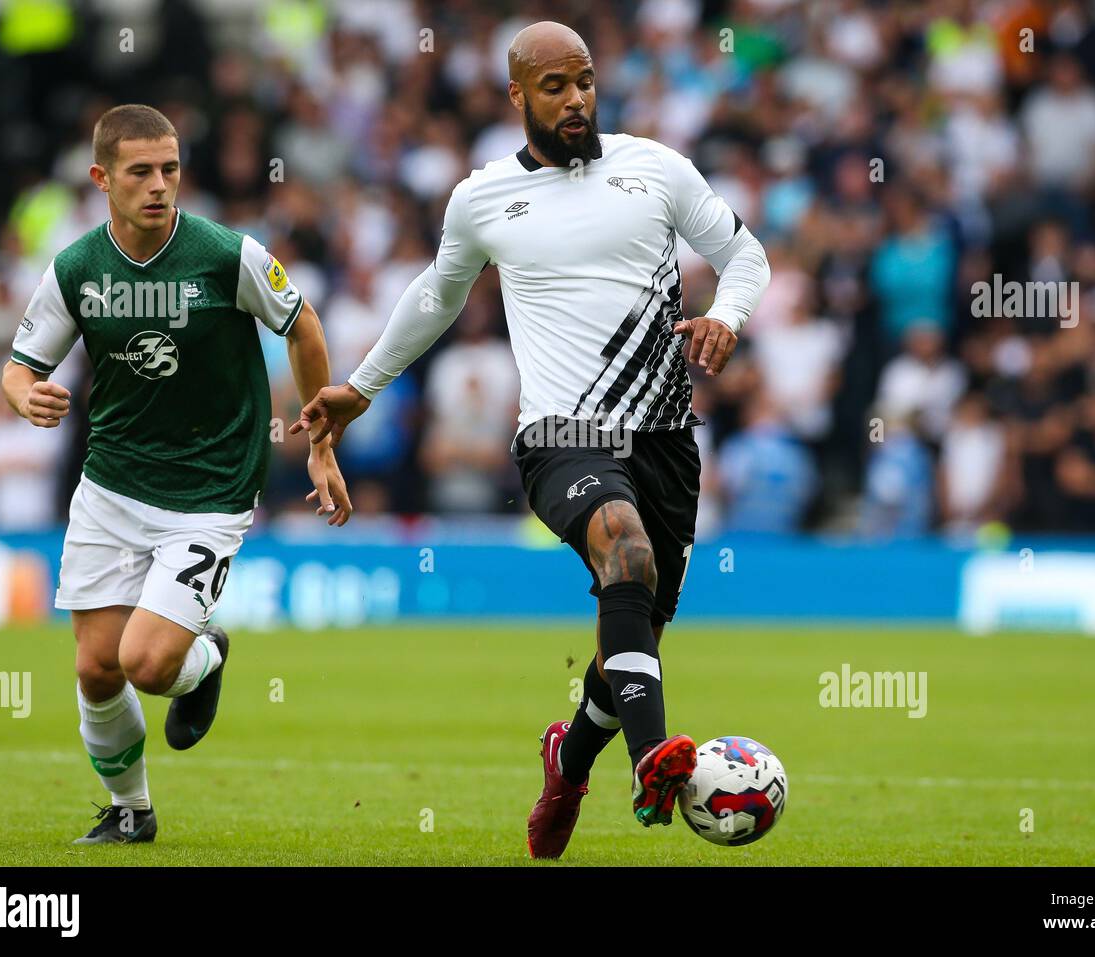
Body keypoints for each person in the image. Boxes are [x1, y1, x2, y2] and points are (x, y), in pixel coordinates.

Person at [290, 22, 768, 858]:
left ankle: (570, 756)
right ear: (517, 96)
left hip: (663, 441)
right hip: (560, 437)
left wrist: (726, 317)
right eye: (555, 86)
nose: (577, 98)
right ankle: (655, 755)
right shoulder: (480, 199)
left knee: (634, 640)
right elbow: (436, 297)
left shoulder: (655, 167)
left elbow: (746, 254)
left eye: (584, 81)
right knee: (624, 552)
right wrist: (362, 387)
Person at [1, 104, 351, 845]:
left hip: (210, 489)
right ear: (101, 178)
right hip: (111, 486)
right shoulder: (77, 268)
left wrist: (320, 442)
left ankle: (206, 653)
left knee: (148, 664)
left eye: (170, 169)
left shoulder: (229, 255)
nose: (160, 185)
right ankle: (131, 810)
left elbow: (304, 325)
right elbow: (19, 364)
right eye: (140, 172)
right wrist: (22, 394)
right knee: (98, 669)